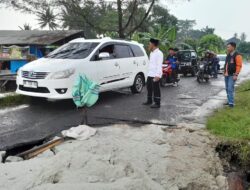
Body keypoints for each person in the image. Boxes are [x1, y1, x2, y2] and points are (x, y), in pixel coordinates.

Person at [143, 38, 163, 108]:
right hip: (150, 74)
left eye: (149, 44)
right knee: (149, 88)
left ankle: (157, 103)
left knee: (156, 89)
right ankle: (149, 100)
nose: (148, 45)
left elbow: (159, 65)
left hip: (155, 74)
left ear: (153, 44)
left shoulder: (159, 53)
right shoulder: (151, 53)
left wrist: (158, 75)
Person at [224, 42, 243, 108]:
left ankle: (231, 104)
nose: (227, 48)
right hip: (226, 75)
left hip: (232, 75)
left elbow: (239, 66)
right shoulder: (228, 55)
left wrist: (236, 74)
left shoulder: (237, 55)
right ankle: (229, 101)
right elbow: (227, 64)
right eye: (227, 47)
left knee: (230, 88)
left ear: (233, 47)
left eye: (228, 47)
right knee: (227, 89)